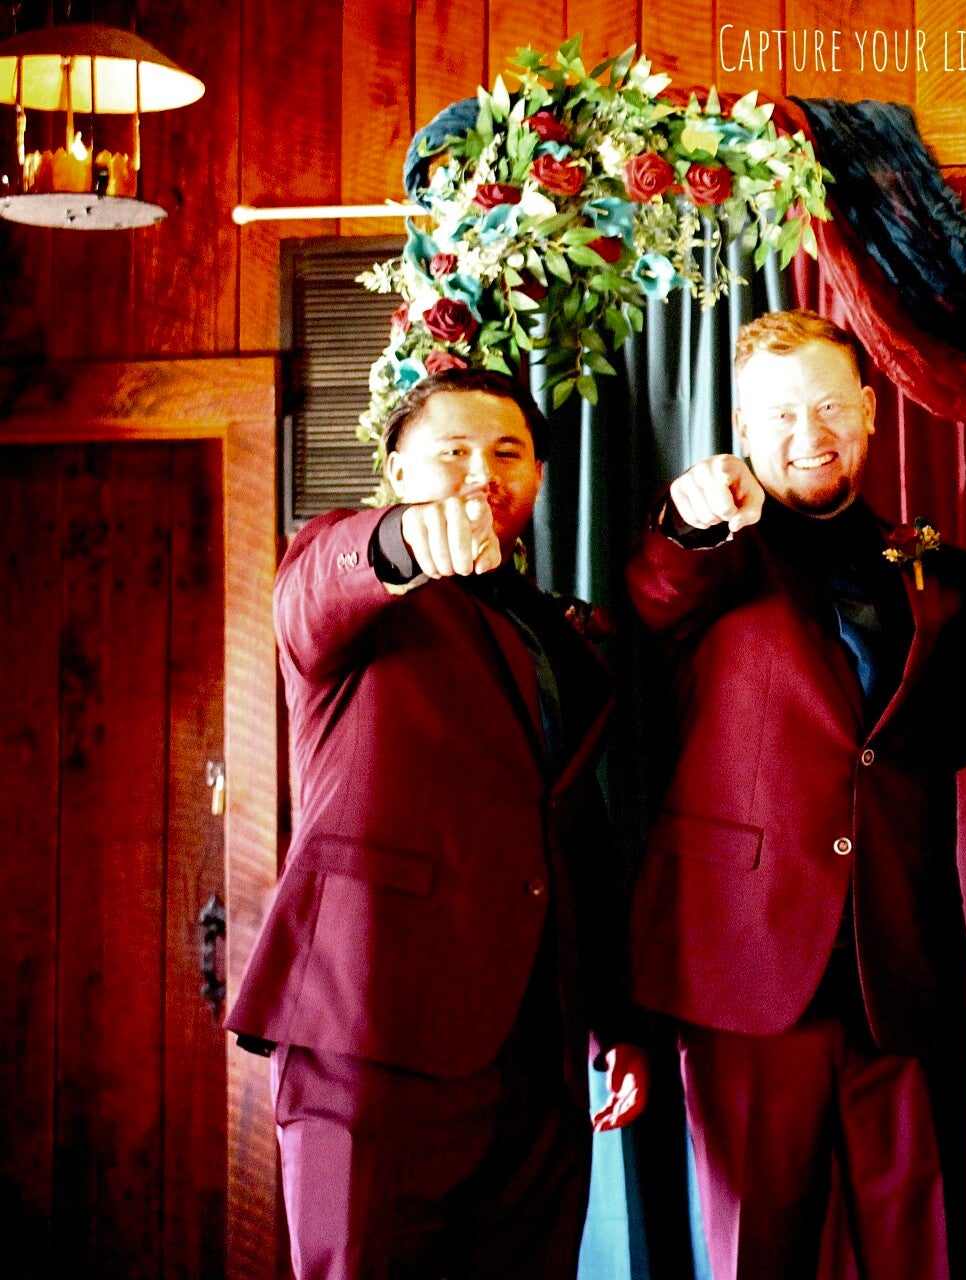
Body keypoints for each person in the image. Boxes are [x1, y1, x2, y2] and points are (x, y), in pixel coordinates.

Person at [227, 369, 647, 1280]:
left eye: (507, 452)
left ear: (539, 475)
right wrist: (405, 537)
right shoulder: (350, 581)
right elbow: (320, 582)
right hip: (370, 1028)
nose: (481, 472)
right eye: (452, 450)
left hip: (538, 1055)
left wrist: (614, 1021)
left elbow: (573, 831)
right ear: (397, 469)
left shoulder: (560, 635)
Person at [625, 309, 966, 1280]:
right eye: (782, 413)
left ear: (870, 411)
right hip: (748, 964)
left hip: (902, 963)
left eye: (831, 406)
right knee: (757, 1253)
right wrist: (689, 520)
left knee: (925, 1248)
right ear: (743, 428)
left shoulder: (935, 569)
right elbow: (656, 590)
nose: (811, 432)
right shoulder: (710, 551)